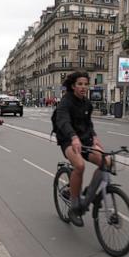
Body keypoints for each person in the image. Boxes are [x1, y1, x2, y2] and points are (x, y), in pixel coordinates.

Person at [54, 72, 110, 227]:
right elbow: (63, 121)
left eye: (86, 84)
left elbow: (88, 124)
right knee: (79, 165)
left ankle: (88, 195)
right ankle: (74, 206)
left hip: (84, 140)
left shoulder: (87, 103)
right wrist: (73, 137)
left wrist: (95, 136)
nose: (83, 87)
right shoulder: (65, 102)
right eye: (80, 84)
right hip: (68, 140)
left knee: (107, 161)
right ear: (73, 86)